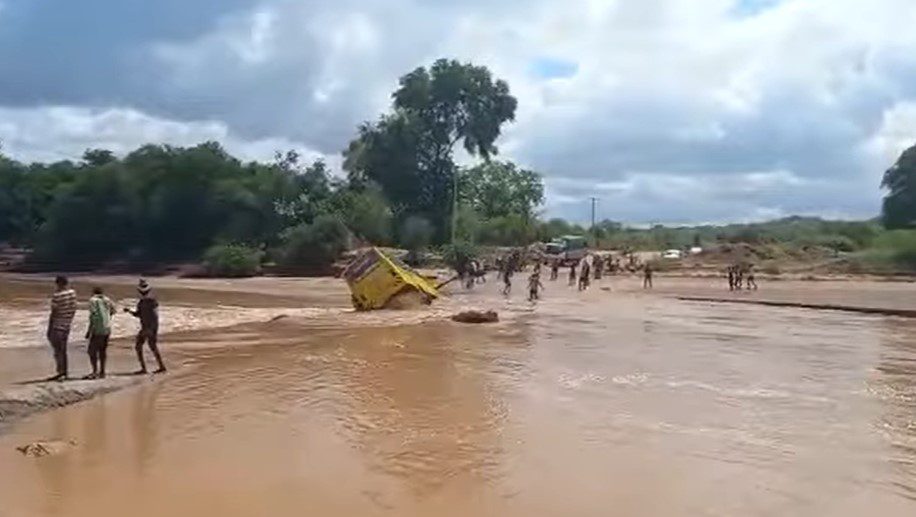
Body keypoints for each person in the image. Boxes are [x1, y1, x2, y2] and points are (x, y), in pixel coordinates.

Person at [125, 279, 166, 374]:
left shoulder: (145, 302)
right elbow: (148, 315)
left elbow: (142, 315)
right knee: (152, 346)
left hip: (147, 327)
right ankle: (161, 366)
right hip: (151, 327)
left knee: (139, 346)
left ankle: (144, 368)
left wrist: (148, 329)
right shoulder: (150, 301)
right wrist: (129, 311)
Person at [47, 275, 78, 381]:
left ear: (59, 283)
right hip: (66, 325)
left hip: (57, 325)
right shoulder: (72, 293)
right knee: (63, 350)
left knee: (58, 350)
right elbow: (74, 308)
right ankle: (64, 372)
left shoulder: (57, 296)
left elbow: (54, 312)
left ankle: (61, 372)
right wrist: (69, 320)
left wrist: (49, 327)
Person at [85, 286, 115, 379]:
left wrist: (89, 331)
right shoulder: (107, 299)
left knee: (91, 351)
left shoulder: (93, 300)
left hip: (97, 329)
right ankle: (102, 372)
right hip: (107, 328)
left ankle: (95, 371)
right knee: (102, 350)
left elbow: (93, 316)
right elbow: (114, 311)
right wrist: (107, 318)